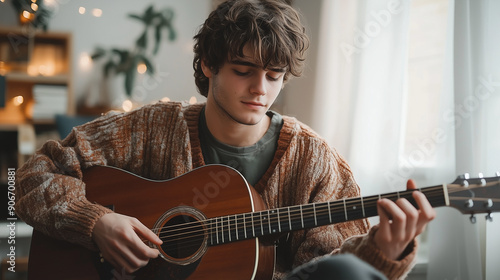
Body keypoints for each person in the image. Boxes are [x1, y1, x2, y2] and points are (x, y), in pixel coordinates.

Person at [15, 0, 436, 279]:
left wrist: (383, 249)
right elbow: (32, 177)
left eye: (274, 77)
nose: (260, 89)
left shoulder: (314, 159)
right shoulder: (151, 128)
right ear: (209, 65)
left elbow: (327, 268)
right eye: (243, 70)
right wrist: (97, 222)